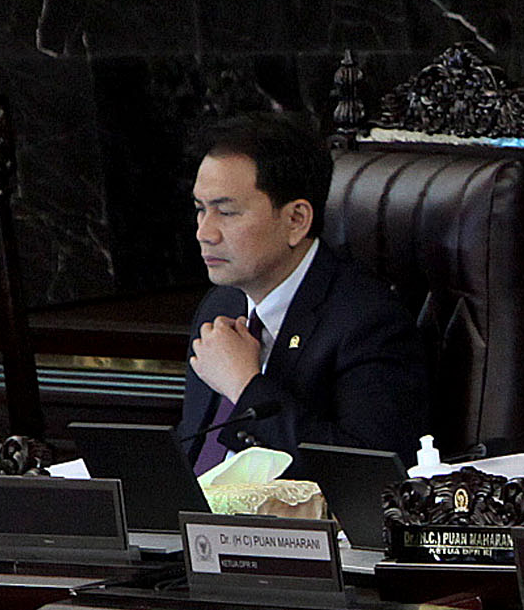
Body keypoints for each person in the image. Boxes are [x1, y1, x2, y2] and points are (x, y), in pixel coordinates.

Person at [176, 112, 425, 474]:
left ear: (296, 220)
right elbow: (196, 450)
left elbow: (369, 473)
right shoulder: (220, 305)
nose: (204, 233)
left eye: (226, 213)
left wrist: (246, 387)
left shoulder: (369, 323)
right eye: (200, 210)